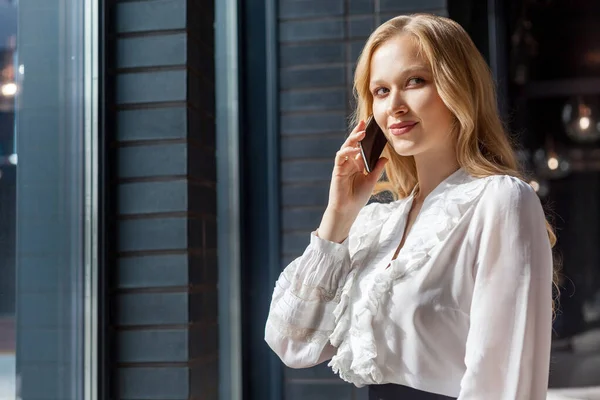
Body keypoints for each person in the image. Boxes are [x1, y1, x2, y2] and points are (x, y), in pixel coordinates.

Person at [264, 13, 556, 400]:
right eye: (381, 91)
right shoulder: (376, 225)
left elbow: (502, 382)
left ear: (458, 88)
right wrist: (338, 217)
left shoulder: (500, 201)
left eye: (414, 81)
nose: (394, 106)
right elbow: (290, 344)